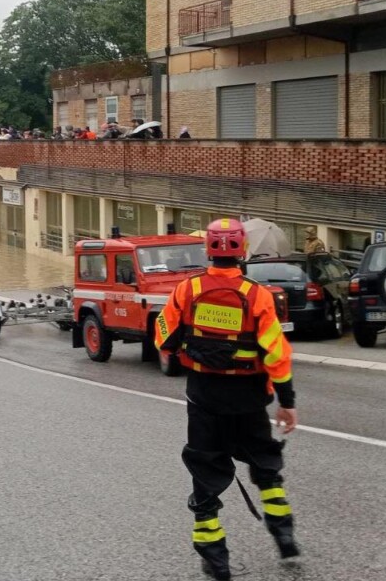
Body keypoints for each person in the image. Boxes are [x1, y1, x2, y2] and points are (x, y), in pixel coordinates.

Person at [154, 218, 299, 581]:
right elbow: (276, 355)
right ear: (243, 251)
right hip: (249, 398)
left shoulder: (187, 290)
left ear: (208, 250)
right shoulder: (257, 295)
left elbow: (163, 335)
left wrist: (183, 349)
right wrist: (287, 400)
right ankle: (283, 534)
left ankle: (215, 558)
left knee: (205, 470)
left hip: (203, 397)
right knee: (265, 465)